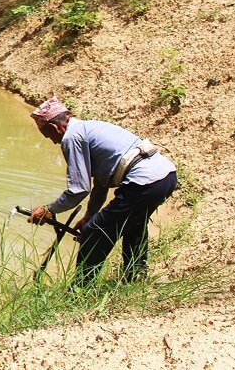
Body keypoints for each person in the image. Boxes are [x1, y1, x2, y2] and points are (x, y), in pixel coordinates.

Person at [27, 96, 177, 284]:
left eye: (49, 136)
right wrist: (90, 215)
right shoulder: (90, 127)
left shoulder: (72, 137)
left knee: (94, 231)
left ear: (54, 128)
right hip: (166, 176)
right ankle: (136, 276)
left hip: (144, 182)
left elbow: (79, 189)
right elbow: (101, 183)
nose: (54, 142)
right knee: (133, 224)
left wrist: (49, 210)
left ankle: (80, 290)